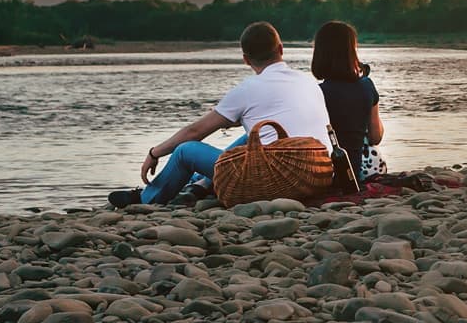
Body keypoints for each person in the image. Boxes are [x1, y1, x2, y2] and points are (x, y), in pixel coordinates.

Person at [109, 21, 332, 207]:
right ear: (281, 49)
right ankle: (201, 184)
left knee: (186, 151)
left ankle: (147, 198)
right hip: (318, 173)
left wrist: (154, 153)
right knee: (251, 137)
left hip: (280, 179)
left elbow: (194, 131)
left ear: (245, 59)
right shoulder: (308, 81)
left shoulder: (247, 89)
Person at [311, 20, 386, 182]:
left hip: (325, 173)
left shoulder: (317, 92)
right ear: (352, 52)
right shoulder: (367, 85)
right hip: (359, 171)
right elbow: (375, 137)